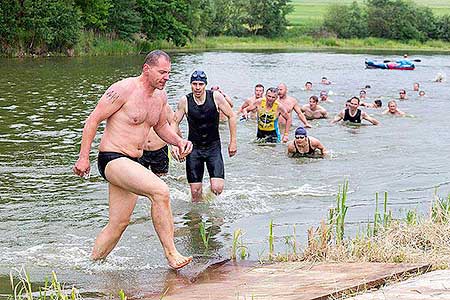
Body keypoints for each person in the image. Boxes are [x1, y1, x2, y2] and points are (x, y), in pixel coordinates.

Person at [72, 50, 193, 269]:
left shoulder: (160, 97)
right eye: (162, 72)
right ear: (147, 69)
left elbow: (160, 126)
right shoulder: (124, 89)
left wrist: (178, 142)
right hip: (112, 158)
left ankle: (90, 266)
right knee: (160, 191)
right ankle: (171, 253)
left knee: (118, 224)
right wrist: (83, 157)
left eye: (169, 73)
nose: (166, 77)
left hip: (132, 161)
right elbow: (93, 120)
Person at [172, 70, 237, 202]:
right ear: (191, 84)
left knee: (217, 188)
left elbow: (232, 116)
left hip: (213, 147)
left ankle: (209, 203)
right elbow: (174, 122)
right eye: (194, 84)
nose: (197, 87)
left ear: (205, 85)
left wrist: (233, 141)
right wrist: (175, 144)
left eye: (200, 84)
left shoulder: (215, 97)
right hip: (194, 149)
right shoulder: (185, 101)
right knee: (195, 194)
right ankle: (196, 219)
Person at [139, 105, 174, 177]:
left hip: (160, 150)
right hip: (140, 150)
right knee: (139, 178)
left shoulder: (164, 106)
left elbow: (174, 125)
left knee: (162, 179)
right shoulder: (134, 105)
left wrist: (177, 146)